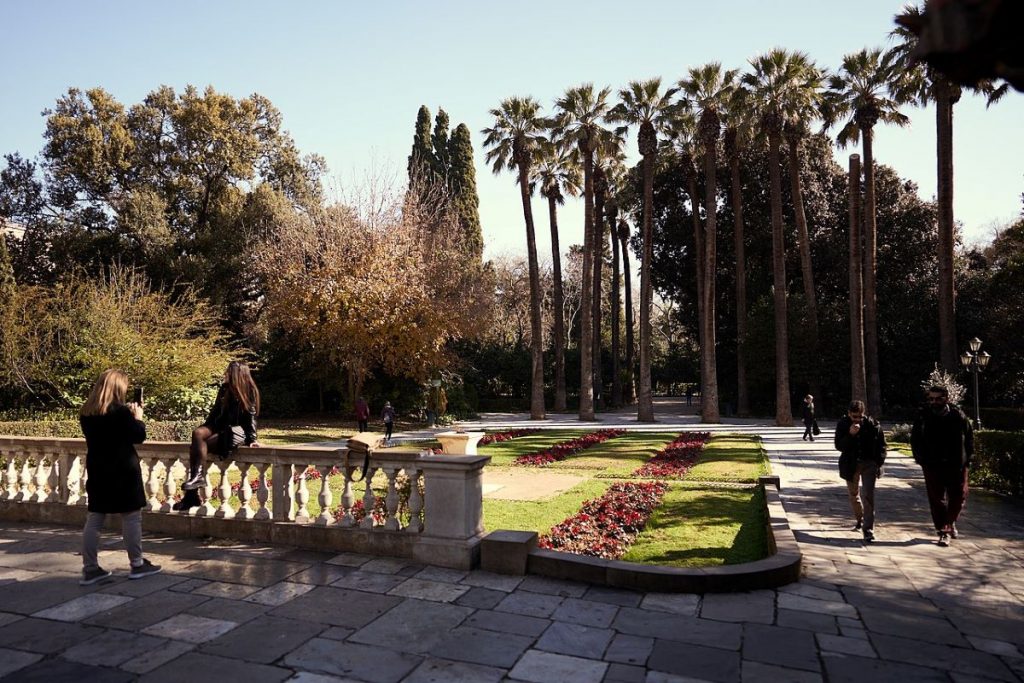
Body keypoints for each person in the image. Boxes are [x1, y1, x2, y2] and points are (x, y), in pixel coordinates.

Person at [79, 369, 162, 584]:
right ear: (118, 388)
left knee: (95, 518)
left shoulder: (87, 413)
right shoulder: (120, 412)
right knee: (131, 516)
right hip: (123, 469)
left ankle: (89, 568)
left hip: (98, 469)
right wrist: (139, 418)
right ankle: (137, 564)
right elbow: (138, 436)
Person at [178, 362, 261, 508]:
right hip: (218, 426)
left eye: (228, 372)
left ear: (236, 374)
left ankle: (191, 497)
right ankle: (196, 481)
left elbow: (250, 415)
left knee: (195, 449)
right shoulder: (224, 389)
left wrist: (252, 438)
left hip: (232, 432)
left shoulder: (249, 390)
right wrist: (206, 428)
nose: (225, 374)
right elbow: (215, 412)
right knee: (197, 433)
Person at [911, 385, 974, 547]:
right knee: (936, 499)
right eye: (931, 398)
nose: (934, 401)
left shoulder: (958, 416)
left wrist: (968, 459)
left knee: (958, 497)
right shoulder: (923, 416)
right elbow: (916, 439)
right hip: (932, 464)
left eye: (938, 398)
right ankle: (944, 530)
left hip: (956, 464)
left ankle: (949, 523)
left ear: (946, 398)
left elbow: (969, 438)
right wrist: (920, 458)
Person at [834, 400, 887, 543]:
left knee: (868, 496)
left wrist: (879, 463)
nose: (857, 419)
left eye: (860, 416)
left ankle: (868, 529)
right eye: (854, 416)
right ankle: (860, 518)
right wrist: (850, 434)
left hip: (869, 464)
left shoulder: (872, 424)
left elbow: (882, 445)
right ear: (849, 413)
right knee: (853, 494)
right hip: (851, 464)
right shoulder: (843, 424)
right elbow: (839, 445)